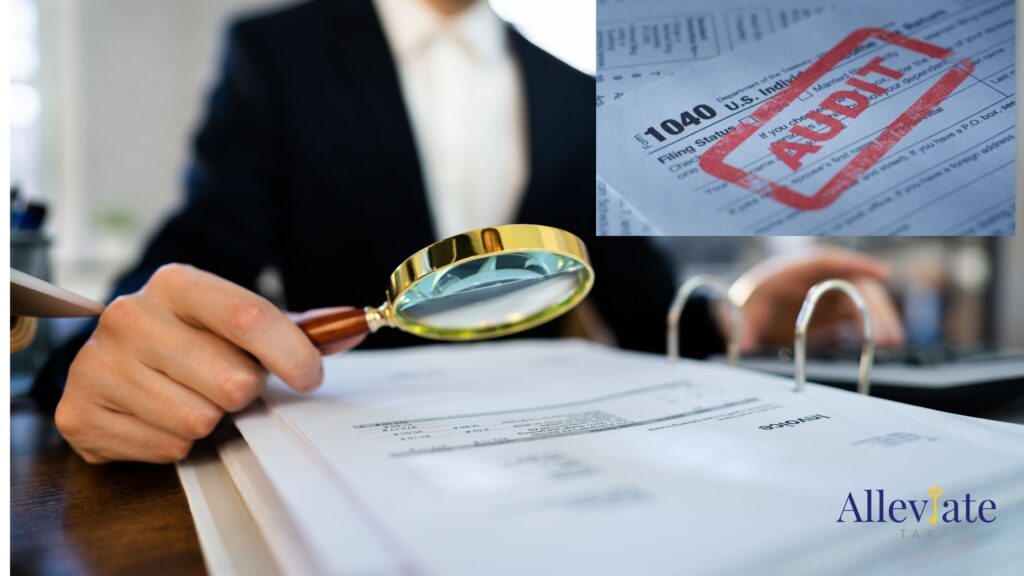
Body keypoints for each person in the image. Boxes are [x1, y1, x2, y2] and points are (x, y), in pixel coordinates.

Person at [36, 0, 903, 464]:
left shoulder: (578, 80)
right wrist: (107, 361)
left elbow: (634, 290)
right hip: (340, 450)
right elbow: (201, 251)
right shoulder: (279, 51)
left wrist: (741, 316)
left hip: (554, 453)